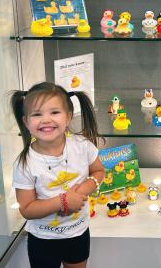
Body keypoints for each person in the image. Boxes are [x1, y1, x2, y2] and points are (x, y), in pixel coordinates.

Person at [11, 82, 105, 268]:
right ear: (26, 121)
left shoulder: (82, 146)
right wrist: (63, 202)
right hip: (43, 240)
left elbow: (99, 171)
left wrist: (82, 190)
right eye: (37, 114)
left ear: (68, 116)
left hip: (78, 233)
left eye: (54, 112)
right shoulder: (25, 163)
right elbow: (27, 209)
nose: (46, 119)